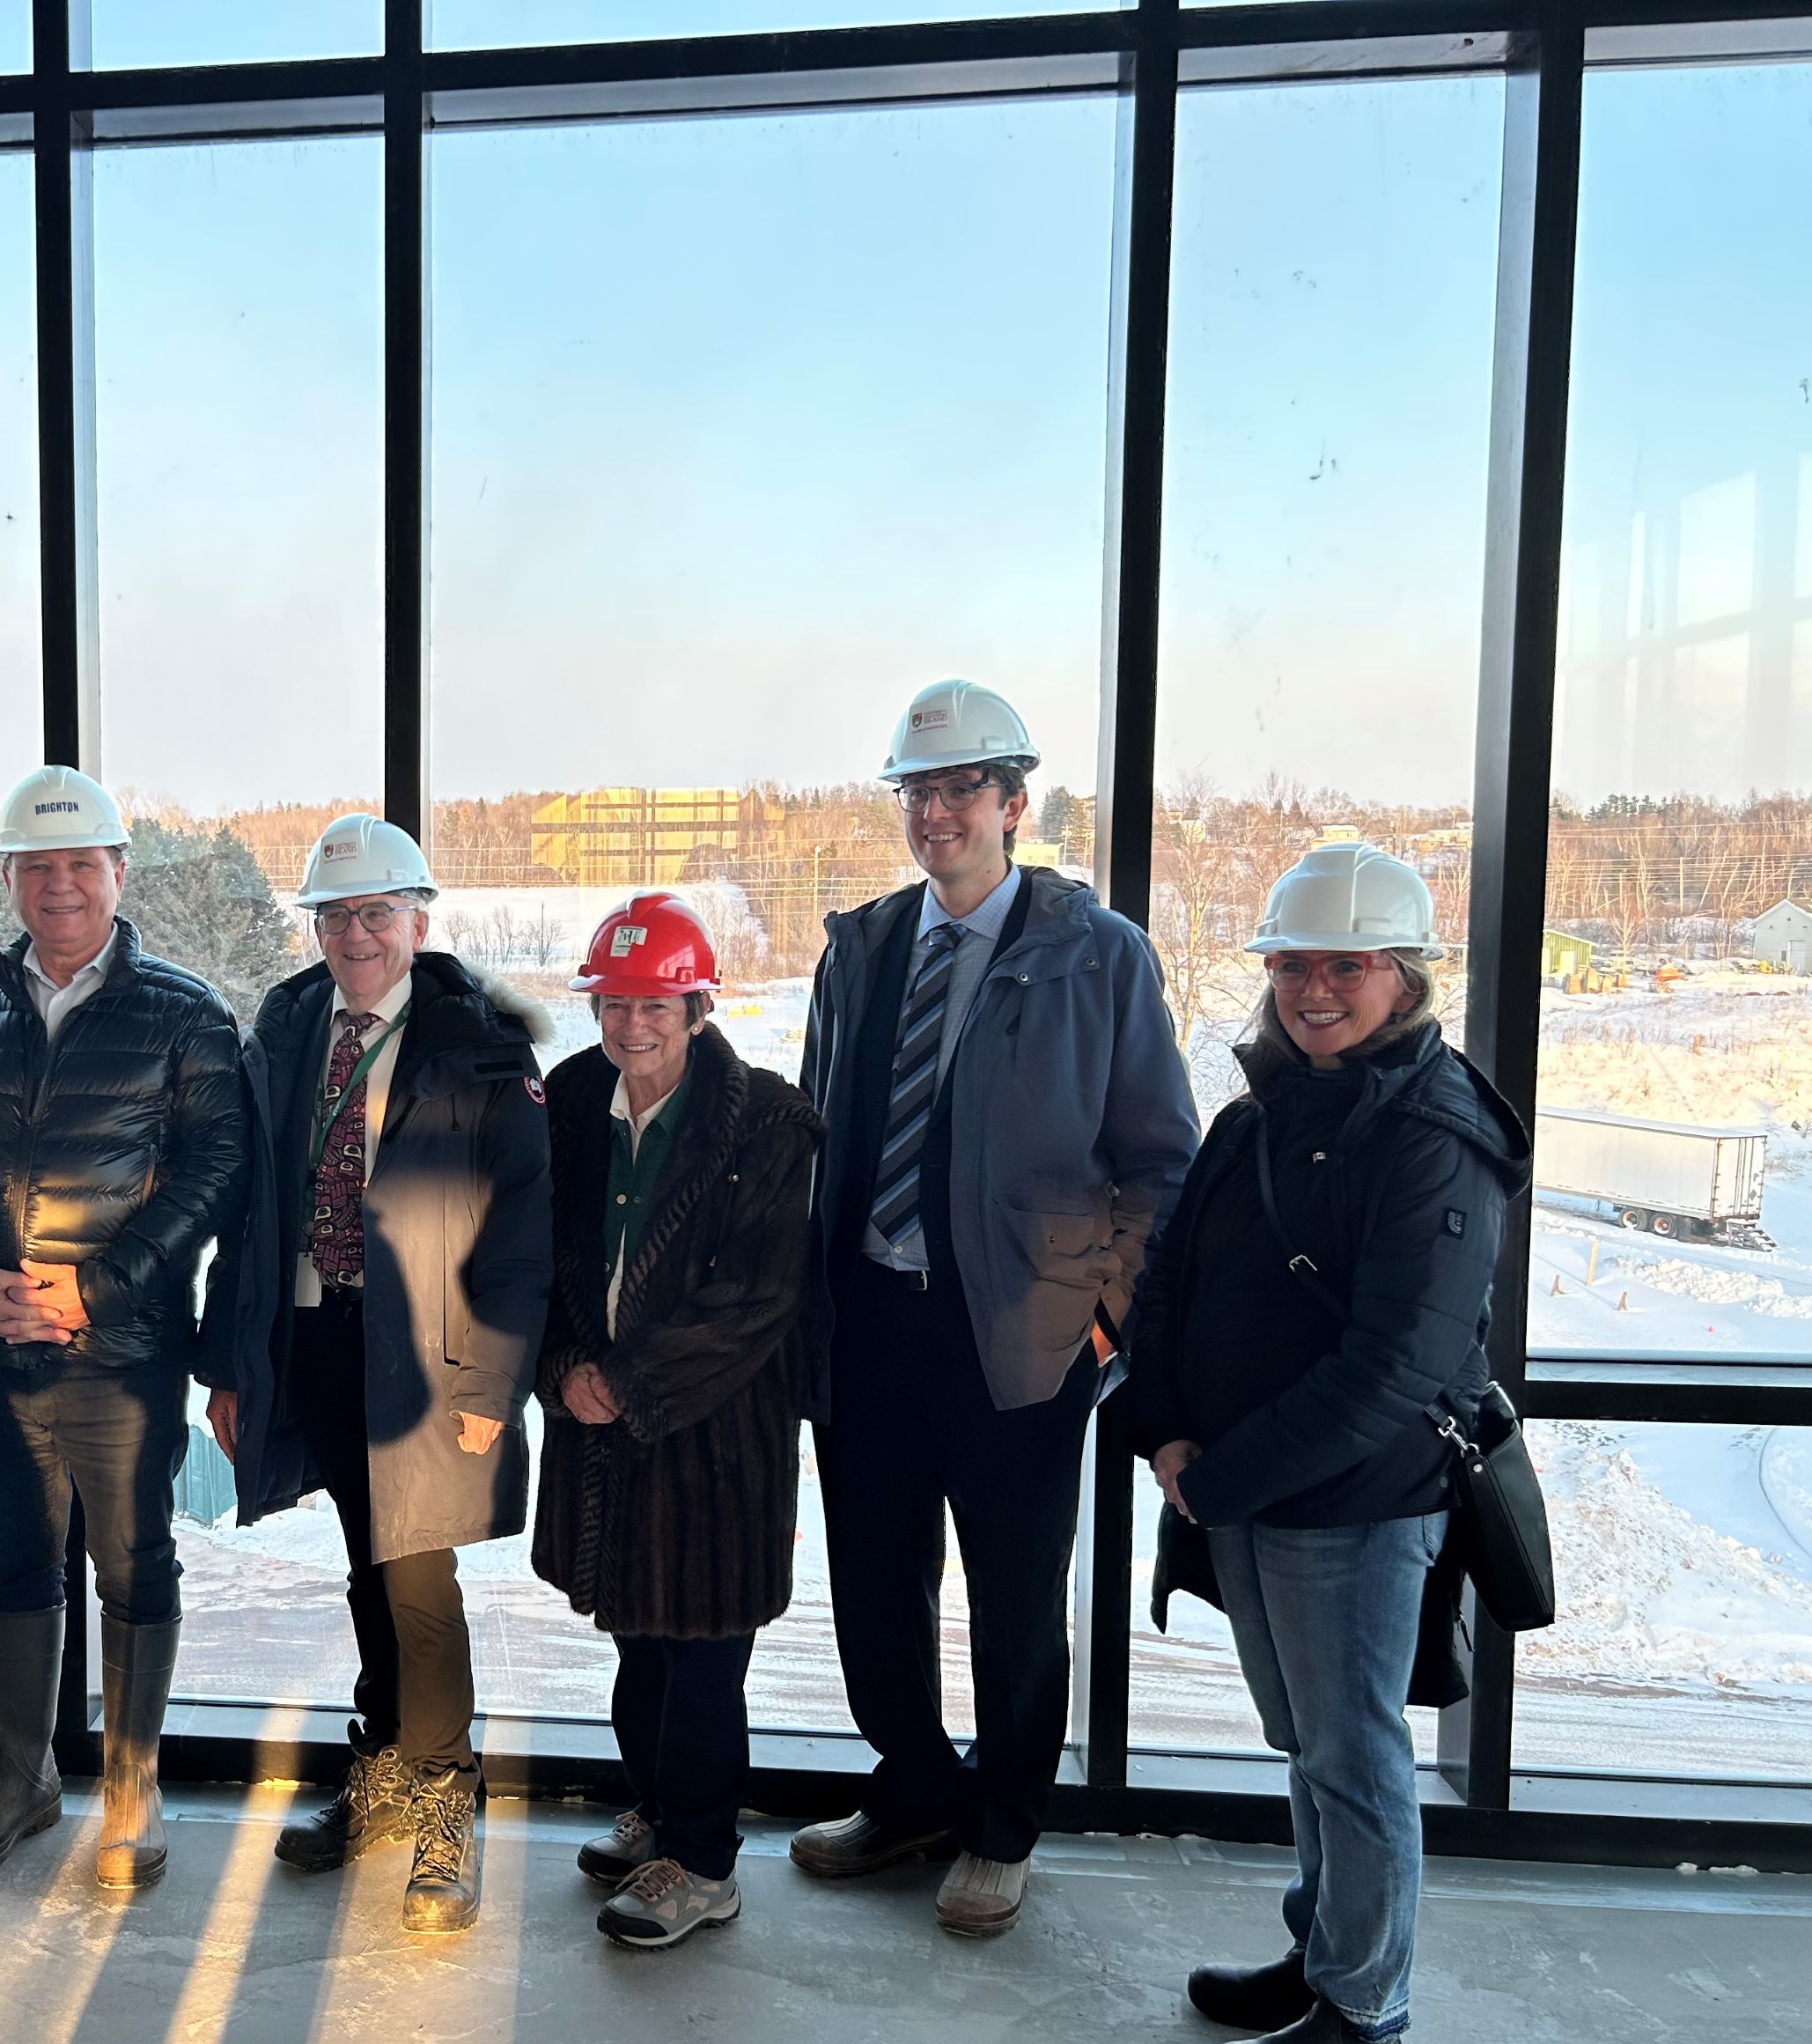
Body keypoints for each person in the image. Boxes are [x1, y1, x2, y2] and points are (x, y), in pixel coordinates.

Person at [1118, 843, 1528, 2044]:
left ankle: (1363, 2023)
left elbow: (1396, 1364)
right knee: (1308, 1748)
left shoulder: (1431, 1131)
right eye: (1293, 965)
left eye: (1342, 966)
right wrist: (1164, 1431)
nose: (1311, 990)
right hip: (1241, 1490)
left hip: (1353, 1503)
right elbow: (1172, 1282)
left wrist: (1222, 1471)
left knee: (1353, 1756)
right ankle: (1322, 1955)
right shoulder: (1262, 1110)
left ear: (1400, 975)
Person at [793, 678, 1199, 1937]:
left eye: (961, 788)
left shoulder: (1095, 955)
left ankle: (1004, 1819)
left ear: (1013, 803)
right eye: (917, 790)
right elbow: (824, 1132)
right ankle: (912, 1788)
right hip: (870, 1317)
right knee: (872, 1576)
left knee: (1016, 1591)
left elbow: (1160, 1161)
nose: (936, 813)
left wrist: (1098, 1313)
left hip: (1018, 1332)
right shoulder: (861, 950)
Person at [0, 766, 247, 1891]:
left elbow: (216, 1168)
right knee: (13, 1561)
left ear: (117, 873)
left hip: (123, 1355)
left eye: (79, 865)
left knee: (134, 1562)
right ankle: (22, 1780)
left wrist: (103, 1288)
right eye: (35, 867)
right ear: (6, 877)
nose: (59, 887)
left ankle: (132, 1790)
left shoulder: (183, 1013)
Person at [199, 815, 551, 1934]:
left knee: (415, 1579)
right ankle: (387, 1769)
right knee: (365, 1563)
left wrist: (493, 1384)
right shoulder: (291, 1027)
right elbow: (253, 1214)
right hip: (313, 1335)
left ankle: (445, 1800)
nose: (355, 934)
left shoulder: (479, 1042)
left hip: (429, 1355)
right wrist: (231, 1362)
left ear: (419, 919)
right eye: (335, 915)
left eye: (375, 913)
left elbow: (521, 1233)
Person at [531, 895, 820, 1950]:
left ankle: (701, 1863)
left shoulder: (768, 1122)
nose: (631, 1024)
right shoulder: (568, 1101)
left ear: (697, 1005)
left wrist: (630, 1380)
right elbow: (535, 1256)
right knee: (636, 1638)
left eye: (655, 1002)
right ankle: (654, 1811)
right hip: (596, 1420)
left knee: (703, 1649)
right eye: (613, 1001)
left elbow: (756, 1298)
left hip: (710, 1434)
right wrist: (564, 1367)